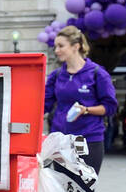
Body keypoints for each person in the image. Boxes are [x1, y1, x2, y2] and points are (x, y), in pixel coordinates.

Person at [44, 26, 117, 178]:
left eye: (61, 46)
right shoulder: (56, 76)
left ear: (76, 46)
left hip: (88, 140)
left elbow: (110, 107)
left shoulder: (97, 73)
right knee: (60, 189)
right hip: (60, 141)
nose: (56, 50)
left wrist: (86, 110)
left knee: (84, 191)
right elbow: (43, 105)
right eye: (55, 46)